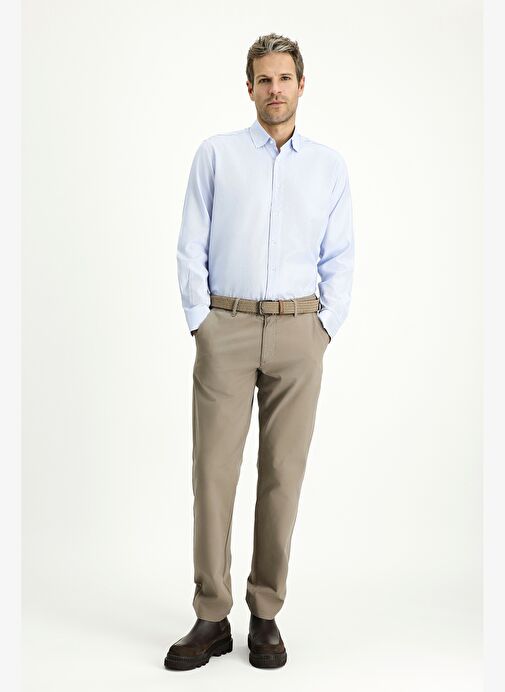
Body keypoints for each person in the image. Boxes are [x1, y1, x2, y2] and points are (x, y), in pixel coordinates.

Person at [164, 32, 354, 671]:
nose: (275, 89)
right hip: (227, 326)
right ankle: (212, 614)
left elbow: (340, 255)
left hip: (300, 332)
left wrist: (324, 327)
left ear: (302, 85)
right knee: (213, 474)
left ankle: (265, 612)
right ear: (249, 88)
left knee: (283, 476)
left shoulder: (328, 167)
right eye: (264, 79)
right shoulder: (216, 155)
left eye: (284, 78)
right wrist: (202, 321)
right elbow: (191, 242)